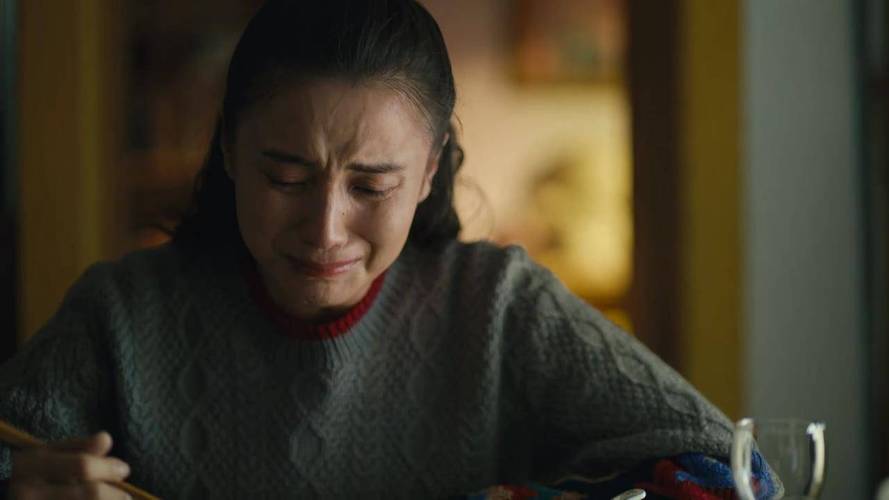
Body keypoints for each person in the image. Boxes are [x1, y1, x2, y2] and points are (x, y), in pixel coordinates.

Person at [0, 1, 765, 498]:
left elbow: (731, 471)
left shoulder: (499, 307)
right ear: (229, 148)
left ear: (428, 172)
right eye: (285, 177)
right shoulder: (121, 315)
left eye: (370, 186)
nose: (325, 229)